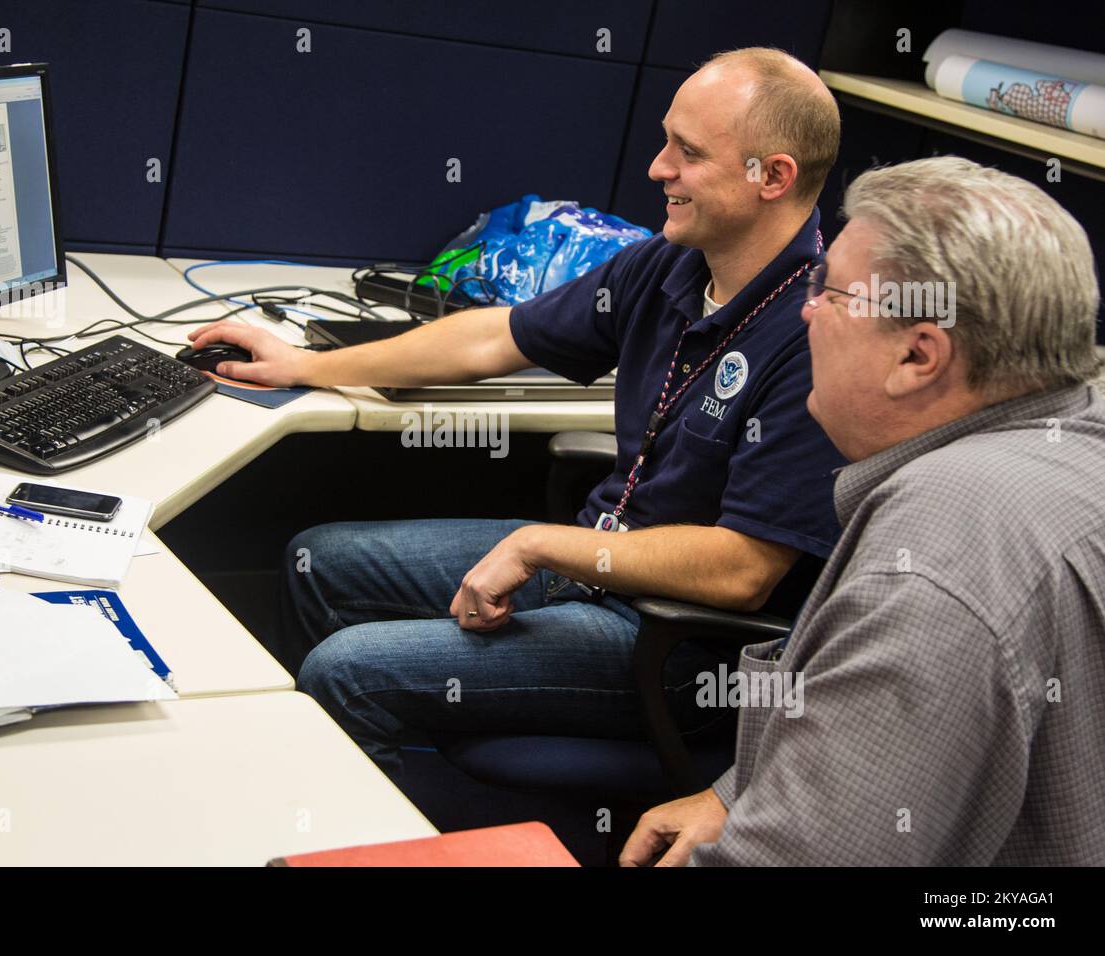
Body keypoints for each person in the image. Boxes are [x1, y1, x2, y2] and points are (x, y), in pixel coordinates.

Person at [188, 48, 846, 775]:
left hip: (680, 644)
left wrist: (540, 546)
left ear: (773, 176)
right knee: (320, 562)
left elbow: (742, 571)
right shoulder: (674, 264)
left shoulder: (820, 333)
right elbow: (493, 337)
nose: (658, 168)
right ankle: (319, 802)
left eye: (687, 153)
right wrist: (307, 365)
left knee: (348, 671)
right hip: (600, 561)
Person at [620, 156, 1105, 866]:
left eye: (828, 292)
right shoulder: (1075, 433)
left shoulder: (945, 543)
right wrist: (738, 794)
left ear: (918, 354)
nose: (806, 311)